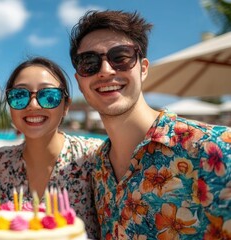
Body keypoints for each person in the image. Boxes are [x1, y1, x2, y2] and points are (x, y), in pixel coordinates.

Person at [70, 10, 231, 239]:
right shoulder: (97, 169)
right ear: (79, 81)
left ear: (143, 68)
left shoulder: (216, 149)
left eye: (121, 57)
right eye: (89, 62)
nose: (106, 70)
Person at [0, 57, 103, 239]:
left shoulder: (92, 156)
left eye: (48, 95)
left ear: (66, 106)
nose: (33, 105)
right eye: (20, 96)